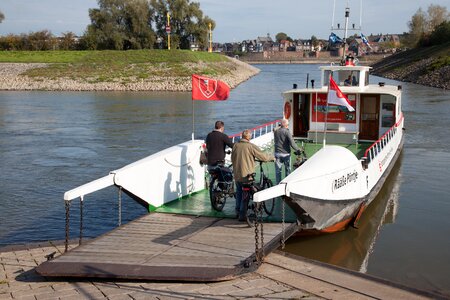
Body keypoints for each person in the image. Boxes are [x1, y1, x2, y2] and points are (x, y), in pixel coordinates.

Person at [231, 129, 274, 221]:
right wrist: (271, 157)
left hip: (237, 174)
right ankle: (244, 213)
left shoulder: (235, 145)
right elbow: (263, 157)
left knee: (239, 192)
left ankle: (237, 212)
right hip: (247, 175)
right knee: (251, 191)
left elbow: (232, 158)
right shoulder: (250, 146)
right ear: (249, 137)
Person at [274, 119, 302, 184]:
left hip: (277, 153)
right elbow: (292, 143)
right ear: (286, 125)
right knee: (288, 170)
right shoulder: (287, 132)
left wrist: (280, 126)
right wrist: (298, 149)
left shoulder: (276, 131)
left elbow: (275, 129)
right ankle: (286, 184)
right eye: (288, 125)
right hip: (285, 154)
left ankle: (277, 184)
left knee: (278, 171)